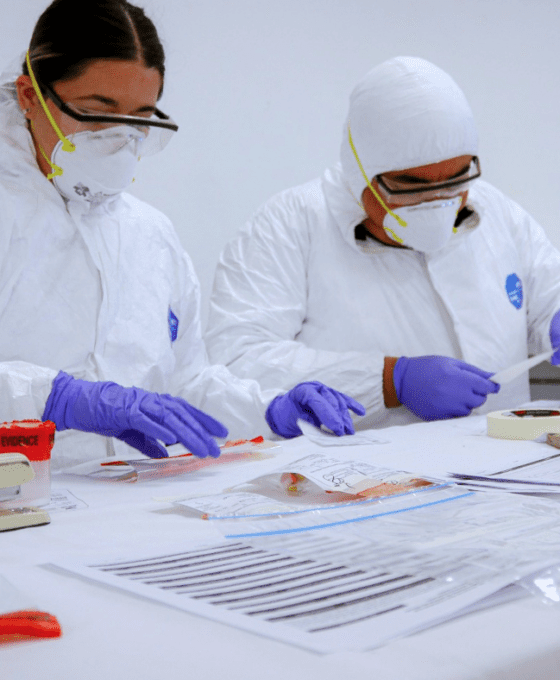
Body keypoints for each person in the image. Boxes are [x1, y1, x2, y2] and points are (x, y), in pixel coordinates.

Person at [0, 0, 365, 469]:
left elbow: (185, 383)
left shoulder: (150, 234)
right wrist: (54, 398)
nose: (119, 140)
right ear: (30, 96)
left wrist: (270, 409)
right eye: (95, 113)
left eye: (139, 120)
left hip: (122, 502)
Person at [205, 56, 560, 431]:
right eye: (412, 187)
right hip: (359, 465)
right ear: (360, 170)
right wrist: (389, 380)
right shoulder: (288, 226)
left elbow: (547, 292)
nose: (438, 204)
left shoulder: (497, 211)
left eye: (455, 181)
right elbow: (238, 360)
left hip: (507, 457)